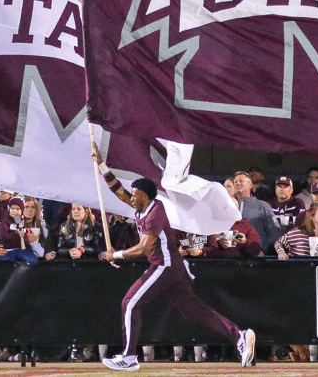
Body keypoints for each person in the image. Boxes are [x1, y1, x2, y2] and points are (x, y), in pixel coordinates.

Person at [92, 146, 256, 371]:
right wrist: (102, 165)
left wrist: (116, 254)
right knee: (193, 309)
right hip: (172, 267)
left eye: (136, 195)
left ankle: (129, 357)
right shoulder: (142, 205)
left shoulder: (155, 214)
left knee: (129, 303)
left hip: (165, 266)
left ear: (145, 196)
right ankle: (239, 336)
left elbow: (143, 247)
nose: (131, 198)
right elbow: (118, 191)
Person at [232, 171, 281, 248]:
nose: (238, 183)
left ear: (250, 185)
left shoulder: (262, 206)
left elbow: (274, 232)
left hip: (256, 255)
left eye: (241, 181)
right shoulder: (229, 206)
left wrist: (264, 250)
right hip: (234, 254)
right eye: (235, 182)